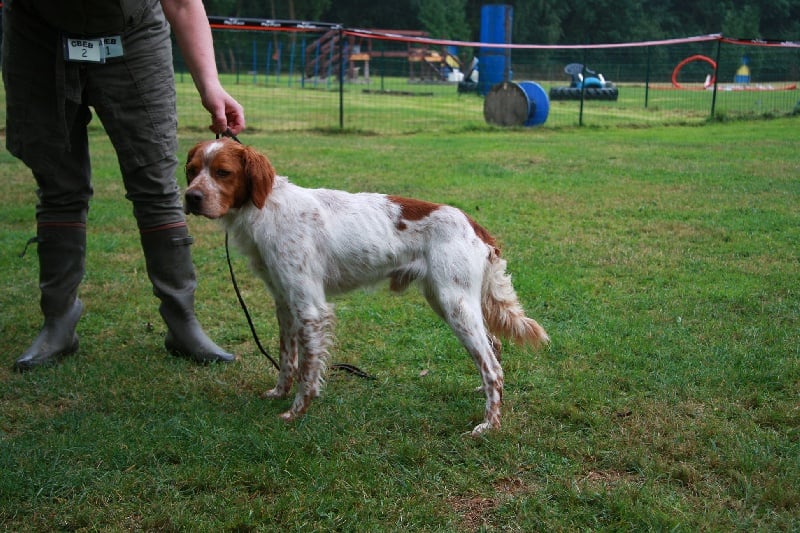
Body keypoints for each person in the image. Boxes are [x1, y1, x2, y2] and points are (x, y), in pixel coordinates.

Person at [2, 0, 246, 370]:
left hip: (133, 37)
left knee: (157, 186)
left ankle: (183, 323)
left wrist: (210, 84)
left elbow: (180, 3)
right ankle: (58, 322)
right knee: (58, 183)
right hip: (37, 36)